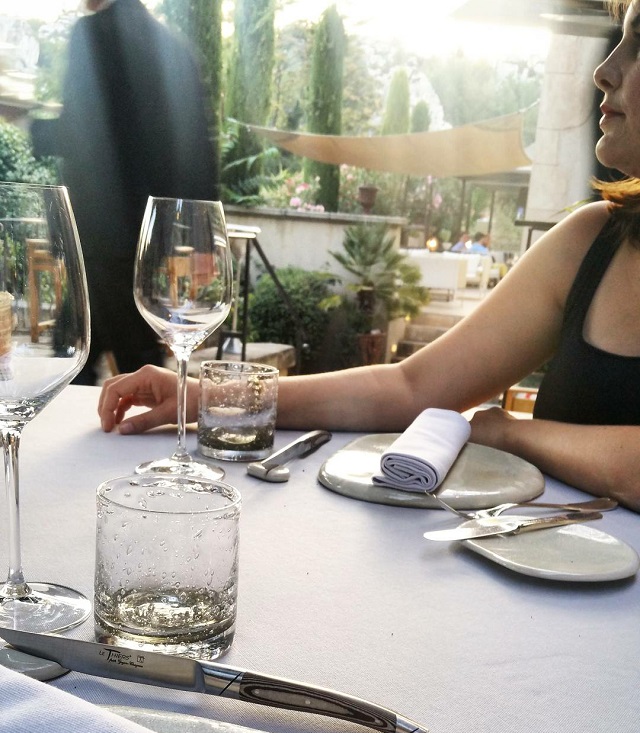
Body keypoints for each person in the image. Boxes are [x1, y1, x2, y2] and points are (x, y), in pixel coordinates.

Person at [97, 0, 640, 512]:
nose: (606, 70)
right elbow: (411, 388)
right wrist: (211, 395)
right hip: (548, 589)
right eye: (618, 39)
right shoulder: (590, 242)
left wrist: (517, 434)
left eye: (639, 42)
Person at [31, 0, 219, 384]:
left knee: (102, 351)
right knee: (85, 345)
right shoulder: (173, 48)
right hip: (146, 233)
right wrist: (203, 240)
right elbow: (197, 149)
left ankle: (155, 427)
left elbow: (81, 132)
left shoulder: (91, 35)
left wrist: (31, 127)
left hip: (96, 230)